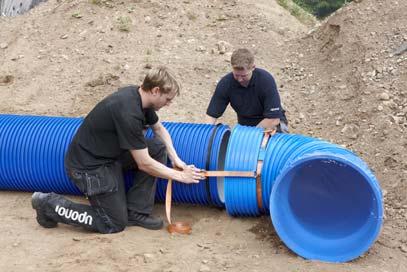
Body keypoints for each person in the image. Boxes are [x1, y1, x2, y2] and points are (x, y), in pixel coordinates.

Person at [31, 66, 205, 234]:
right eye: (168, 99)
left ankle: (136, 212)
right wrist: (181, 176)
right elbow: (144, 164)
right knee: (113, 222)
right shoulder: (128, 112)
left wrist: (176, 159)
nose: (169, 104)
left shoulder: (141, 99)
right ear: (156, 91)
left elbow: (159, 129)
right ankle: (49, 205)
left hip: (110, 155)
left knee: (157, 148)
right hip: (89, 167)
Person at [206, 48, 288, 132]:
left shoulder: (265, 81)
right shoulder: (226, 83)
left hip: (271, 124)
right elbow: (211, 116)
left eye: (244, 76)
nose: (240, 79)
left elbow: (273, 119)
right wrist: (206, 133)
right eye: (236, 75)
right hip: (245, 126)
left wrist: (250, 136)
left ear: (253, 67)